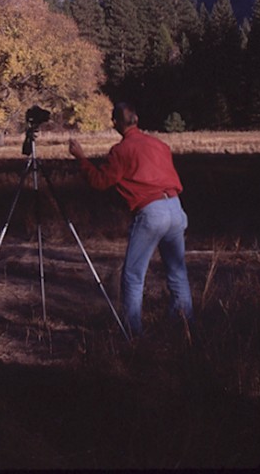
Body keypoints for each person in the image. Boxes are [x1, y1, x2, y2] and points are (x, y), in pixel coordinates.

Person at [69, 101, 193, 337]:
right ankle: (185, 330)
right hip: (176, 207)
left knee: (134, 276)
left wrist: (81, 159)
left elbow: (100, 182)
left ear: (116, 124)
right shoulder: (159, 144)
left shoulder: (121, 151)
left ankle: (132, 335)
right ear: (136, 119)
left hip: (151, 211)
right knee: (177, 273)